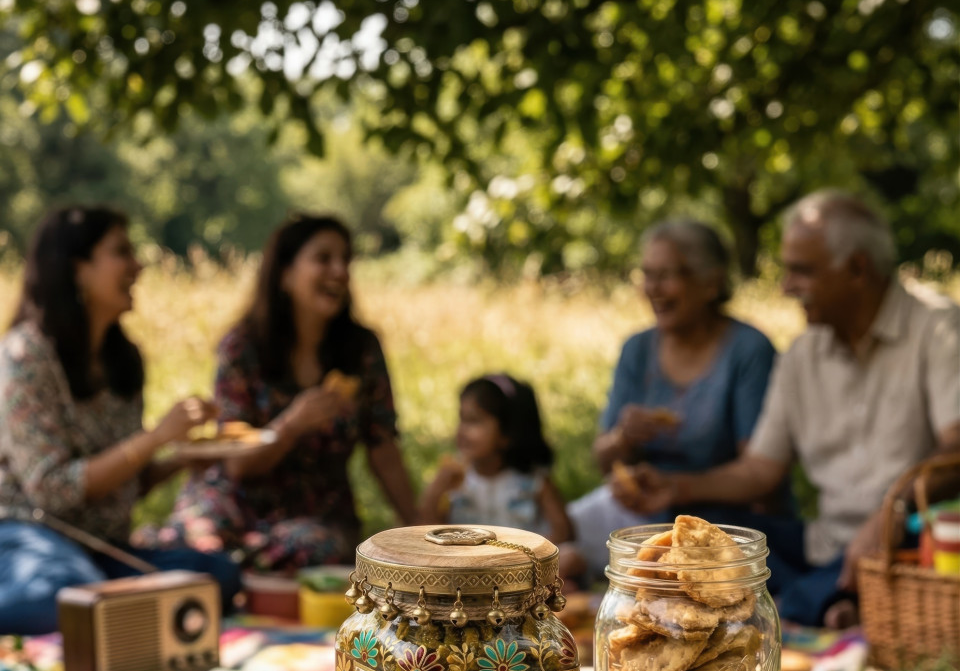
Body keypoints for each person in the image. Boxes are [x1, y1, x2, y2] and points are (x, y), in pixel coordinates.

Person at [614, 190, 960, 627]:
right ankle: (823, 601)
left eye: (802, 271)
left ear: (856, 268)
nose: (785, 286)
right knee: (702, 535)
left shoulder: (938, 328)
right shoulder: (802, 354)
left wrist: (892, 510)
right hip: (826, 543)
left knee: (756, 591)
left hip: (908, 540)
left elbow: (956, 448)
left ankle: (813, 603)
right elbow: (760, 469)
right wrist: (676, 488)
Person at [0, 205, 242, 636]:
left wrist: (183, 460)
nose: (138, 264)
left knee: (217, 577)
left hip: (100, 548)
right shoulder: (26, 356)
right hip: (27, 536)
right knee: (68, 590)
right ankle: (105, 611)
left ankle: (108, 615)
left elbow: (124, 482)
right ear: (78, 269)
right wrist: (155, 438)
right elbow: (52, 489)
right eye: (121, 252)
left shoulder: (123, 360)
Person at [152, 214, 417, 570]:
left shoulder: (361, 350)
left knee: (315, 547)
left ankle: (218, 569)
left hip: (316, 517)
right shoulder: (242, 347)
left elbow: (383, 448)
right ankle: (212, 565)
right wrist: (292, 424)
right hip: (233, 498)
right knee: (198, 534)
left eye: (345, 260)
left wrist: (422, 538)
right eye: (324, 258)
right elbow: (236, 463)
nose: (340, 271)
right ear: (285, 274)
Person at [568, 219, 778, 577]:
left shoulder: (748, 351)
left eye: (667, 275)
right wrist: (623, 437)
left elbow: (759, 477)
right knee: (547, 547)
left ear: (711, 283)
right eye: (648, 275)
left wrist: (677, 489)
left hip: (721, 522)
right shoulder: (638, 349)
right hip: (642, 514)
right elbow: (603, 460)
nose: (653, 288)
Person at [419, 373, 573, 545]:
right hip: (467, 565)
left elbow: (564, 533)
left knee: (571, 558)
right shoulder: (455, 481)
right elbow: (427, 530)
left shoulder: (532, 482)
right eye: (461, 419)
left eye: (473, 421)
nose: (461, 431)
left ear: (507, 434)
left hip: (522, 566)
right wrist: (435, 492)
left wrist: (534, 553)